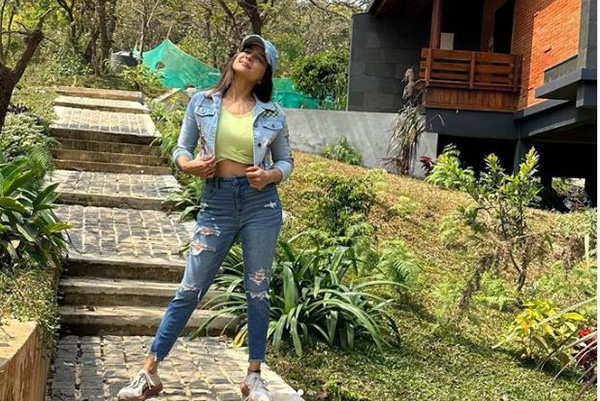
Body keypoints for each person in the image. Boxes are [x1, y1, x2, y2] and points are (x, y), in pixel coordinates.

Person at [117, 34, 294, 401]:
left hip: (260, 205)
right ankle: (149, 372)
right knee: (190, 288)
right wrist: (190, 165)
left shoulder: (273, 113)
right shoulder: (202, 102)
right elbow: (181, 149)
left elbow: (286, 161)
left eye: (258, 57)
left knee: (257, 289)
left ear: (264, 74)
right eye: (246, 50)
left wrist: (270, 175)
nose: (248, 57)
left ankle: (254, 377)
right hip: (216, 202)